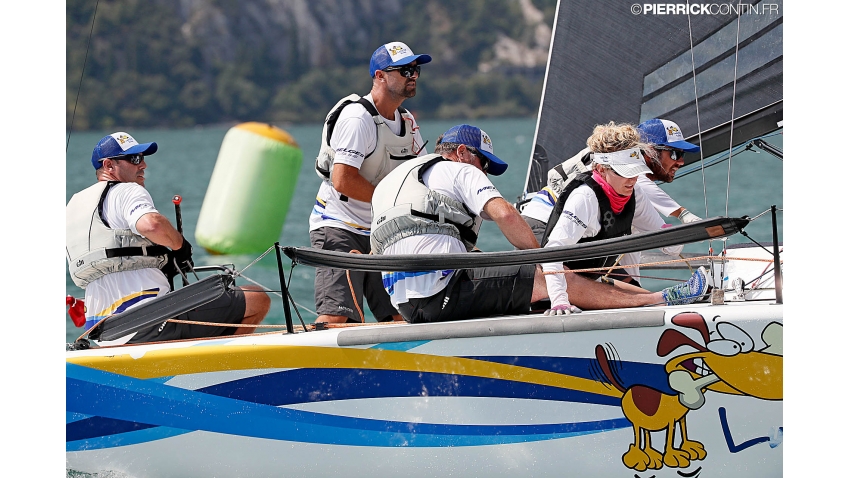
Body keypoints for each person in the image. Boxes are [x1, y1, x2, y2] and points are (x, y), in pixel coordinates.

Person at [370, 124, 706, 324]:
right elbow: (505, 214)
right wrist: (542, 268)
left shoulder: (393, 181)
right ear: (462, 153)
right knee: (551, 277)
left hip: (405, 304)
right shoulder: (460, 170)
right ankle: (658, 301)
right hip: (441, 291)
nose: (483, 171)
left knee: (528, 279)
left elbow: (377, 251)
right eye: (484, 163)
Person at [66, 132, 271, 344]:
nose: (143, 165)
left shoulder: (72, 208)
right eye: (135, 159)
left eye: (143, 158)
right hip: (147, 321)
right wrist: (180, 246)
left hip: (103, 334)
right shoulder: (126, 190)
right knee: (257, 298)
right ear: (109, 165)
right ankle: (219, 369)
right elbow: (151, 224)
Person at [310, 41, 431, 324]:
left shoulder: (407, 119)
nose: (412, 75)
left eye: (415, 70)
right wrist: (391, 203)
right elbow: (342, 180)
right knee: (337, 318)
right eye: (404, 70)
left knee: (400, 318)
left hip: (382, 231)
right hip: (340, 226)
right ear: (379, 76)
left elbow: (421, 174)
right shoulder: (357, 118)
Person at [539, 122, 707, 315]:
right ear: (601, 169)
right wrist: (559, 301)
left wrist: (688, 235)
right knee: (581, 281)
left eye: (636, 172)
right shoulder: (584, 197)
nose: (632, 180)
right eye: (625, 173)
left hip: (591, 279)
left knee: (624, 280)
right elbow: (552, 252)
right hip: (557, 284)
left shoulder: (635, 193)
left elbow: (668, 243)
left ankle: (672, 298)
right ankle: (663, 299)